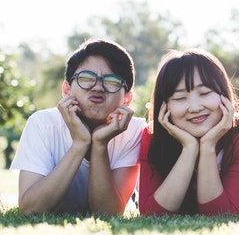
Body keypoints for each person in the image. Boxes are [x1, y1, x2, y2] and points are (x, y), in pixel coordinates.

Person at [11, 39, 145, 215]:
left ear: (127, 99)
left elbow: (107, 214)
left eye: (111, 81)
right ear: (66, 90)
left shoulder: (134, 131)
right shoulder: (42, 124)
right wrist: (80, 143)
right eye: (86, 78)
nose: (97, 88)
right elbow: (30, 208)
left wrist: (99, 144)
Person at [138, 49, 239, 216]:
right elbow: (153, 214)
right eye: (180, 98)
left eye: (205, 93)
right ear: (165, 106)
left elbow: (219, 215)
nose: (195, 108)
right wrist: (189, 148)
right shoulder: (152, 137)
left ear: (224, 94)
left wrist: (207, 145)